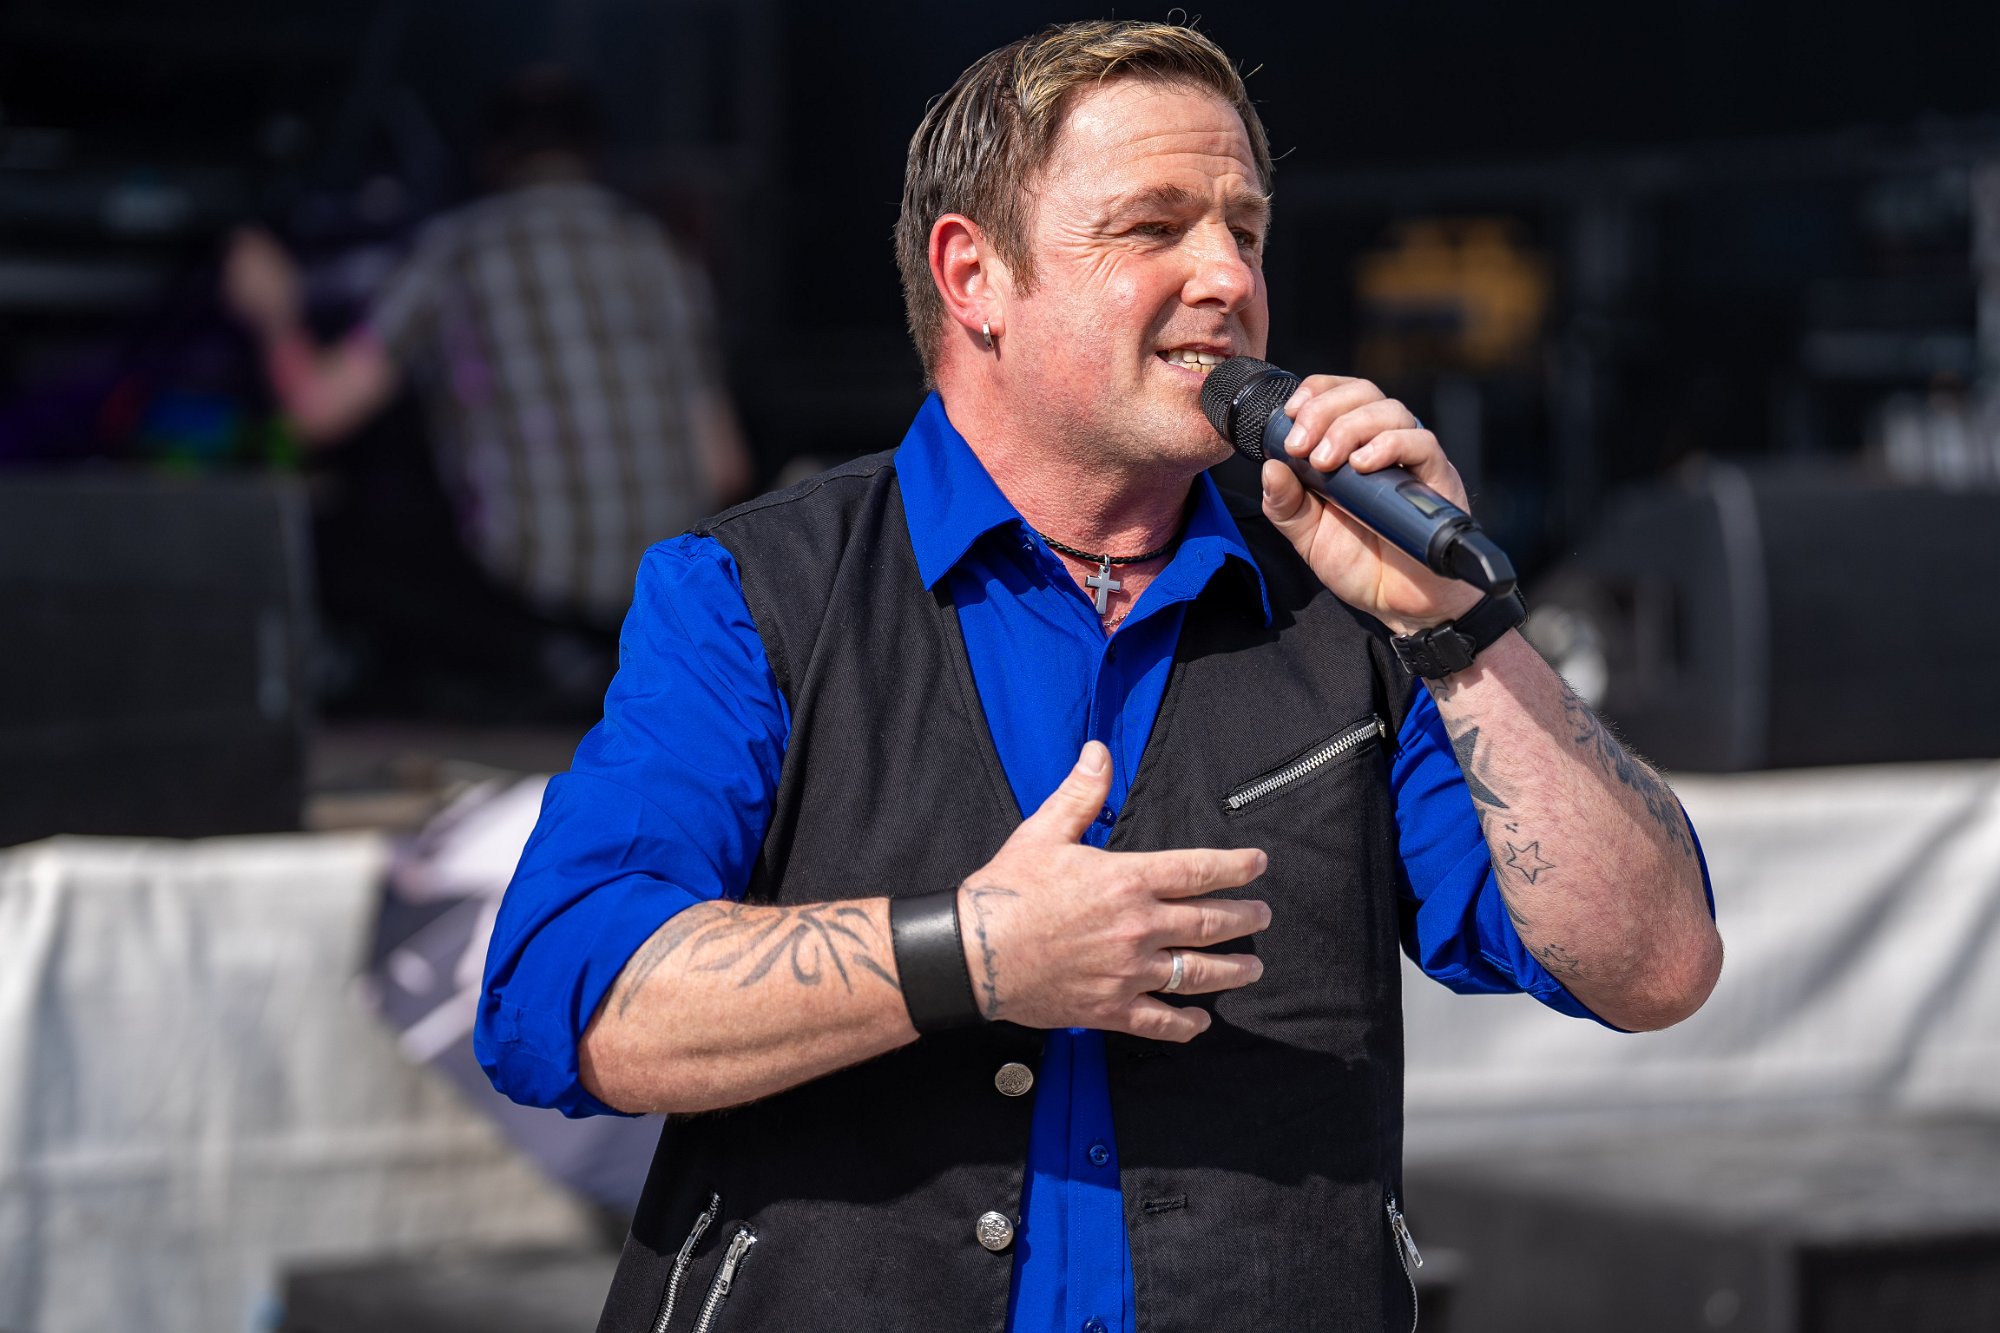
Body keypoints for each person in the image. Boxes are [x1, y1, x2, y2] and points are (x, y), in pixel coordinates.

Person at [478, 22, 1722, 1332]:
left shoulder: (1353, 610)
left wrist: (1461, 630)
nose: (1227, 276)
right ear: (974, 276)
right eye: (1153, 227)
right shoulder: (756, 590)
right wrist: (971, 954)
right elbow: (561, 995)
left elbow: (1654, 967)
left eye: (1245, 230)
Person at [223, 68, 749, 704]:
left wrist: (274, 313)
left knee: (330, 520)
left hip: (524, 595)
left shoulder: (456, 248)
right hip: (661, 593)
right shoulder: (661, 253)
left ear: (490, 157)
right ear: (592, 153)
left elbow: (316, 410)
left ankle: (506, 668)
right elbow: (724, 467)